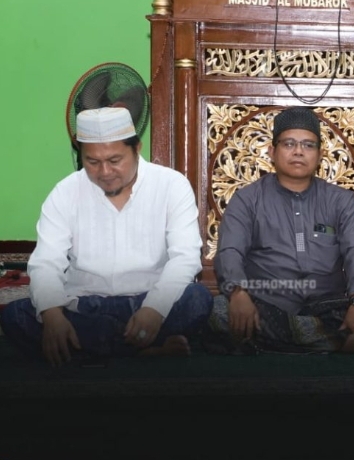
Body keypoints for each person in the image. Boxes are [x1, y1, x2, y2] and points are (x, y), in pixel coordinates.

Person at [0, 107, 212, 367]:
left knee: (197, 300)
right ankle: (143, 351)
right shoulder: (65, 192)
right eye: (92, 162)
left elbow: (185, 258)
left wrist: (154, 310)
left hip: (146, 300)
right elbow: (46, 262)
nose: (105, 172)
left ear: (137, 148)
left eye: (114, 160)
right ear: (81, 155)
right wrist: (53, 315)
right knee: (15, 316)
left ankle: (93, 352)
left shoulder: (171, 185)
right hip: (83, 306)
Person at [206, 106, 354, 356]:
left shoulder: (341, 201)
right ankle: (335, 344)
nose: (298, 152)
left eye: (308, 145)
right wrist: (238, 293)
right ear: (272, 151)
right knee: (219, 311)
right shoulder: (247, 199)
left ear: (320, 154)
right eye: (289, 144)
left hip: (328, 304)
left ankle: (277, 346)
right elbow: (230, 251)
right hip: (266, 301)